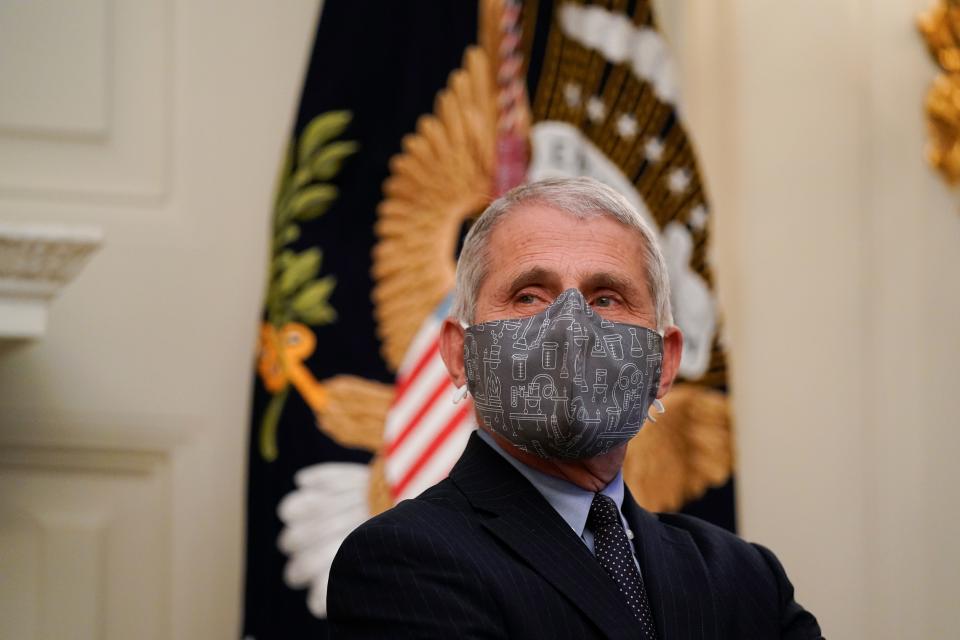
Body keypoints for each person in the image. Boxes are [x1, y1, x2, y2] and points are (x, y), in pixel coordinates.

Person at [327, 177, 823, 639]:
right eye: (528, 295)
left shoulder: (746, 577)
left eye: (606, 299)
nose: (571, 328)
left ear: (664, 363)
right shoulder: (401, 561)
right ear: (461, 354)